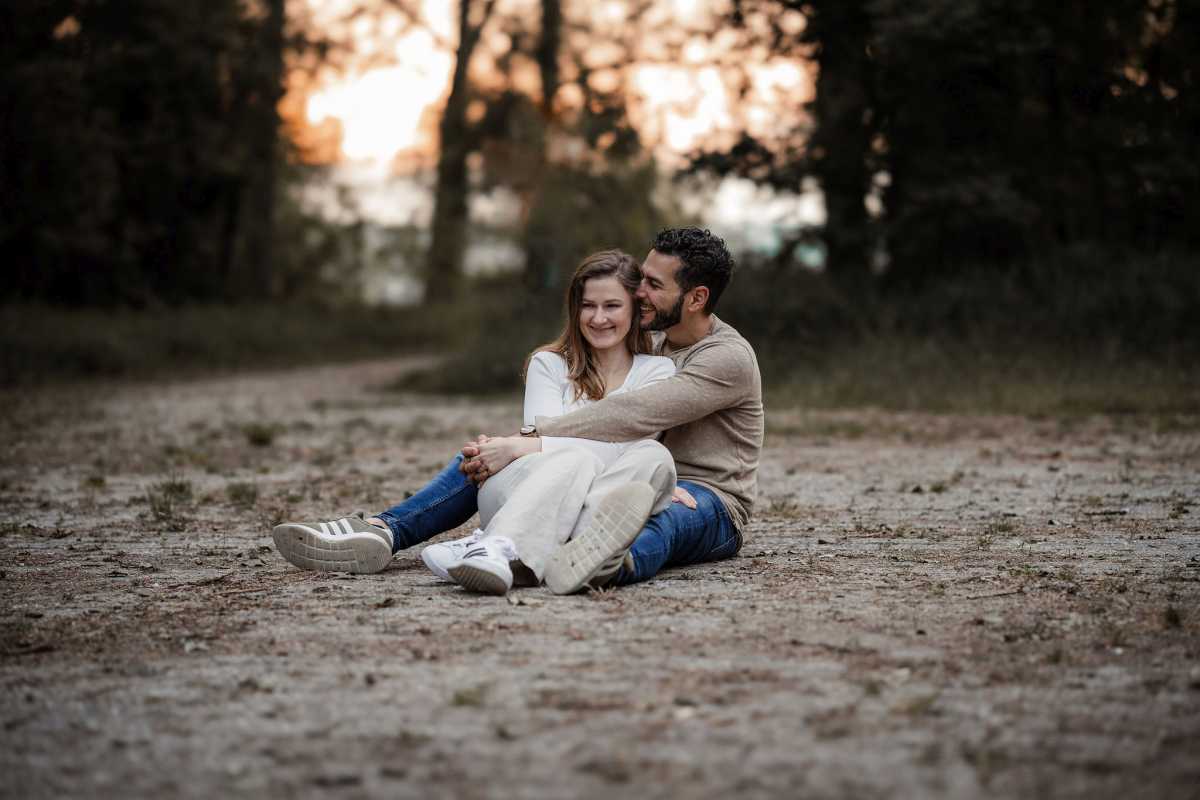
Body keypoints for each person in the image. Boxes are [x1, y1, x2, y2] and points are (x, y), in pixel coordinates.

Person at [273, 227, 763, 592]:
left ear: (696, 297)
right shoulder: (651, 341)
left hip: (705, 496)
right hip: (612, 474)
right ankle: (385, 529)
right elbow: (603, 410)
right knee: (499, 457)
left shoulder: (725, 359)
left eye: (654, 285)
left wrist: (532, 435)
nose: (639, 293)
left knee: (660, 515)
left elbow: (634, 416)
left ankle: (606, 563)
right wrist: (517, 448)